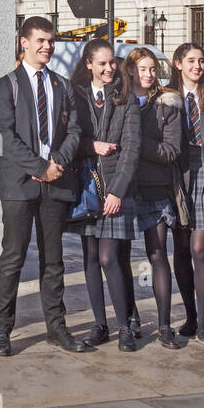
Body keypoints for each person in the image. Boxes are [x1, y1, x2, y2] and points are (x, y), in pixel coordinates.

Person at [0, 16, 86, 356]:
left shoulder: (62, 85)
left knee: (54, 260)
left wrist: (55, 163)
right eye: (40, 40)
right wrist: (39, 167)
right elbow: (2, 136)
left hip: (55, 184)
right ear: (24, 43)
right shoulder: (7, 84)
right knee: (13, 258)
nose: (47, 46)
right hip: (19, 184)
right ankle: (1, 331)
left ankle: (56, 328)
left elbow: (75, 130)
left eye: (50, 40)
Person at [67, 40, 141, 352]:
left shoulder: (126, 98)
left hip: (115, 191)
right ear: (88, 64)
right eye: (102, 64)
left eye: (112, 63)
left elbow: (132, 147)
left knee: (110, 258)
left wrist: (117, 191)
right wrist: (90, 146)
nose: (109, 69)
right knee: (91, 258)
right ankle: (100, 324)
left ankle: (125, 325)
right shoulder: (77, 96)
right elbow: (70, 138)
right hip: (86, 189)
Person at [122, 46, 187, 349]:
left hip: (155, 188)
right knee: (119, 257)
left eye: (152, 69)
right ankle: (130, 318)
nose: (148, 75)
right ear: (131, 70)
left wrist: (135, 142)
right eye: (142, 69)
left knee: (158, 253)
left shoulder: (167, 103)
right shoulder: (118, 100)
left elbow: (171, 151)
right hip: (121, 188)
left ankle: (164, 325)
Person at [170, 41, 204, 341]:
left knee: (200, 248)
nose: (197, 66)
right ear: (179, 64)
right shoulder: (167, 97)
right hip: (178, 177)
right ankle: (189, 315)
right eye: (191, 61)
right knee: (180, 250)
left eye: (201, 61)